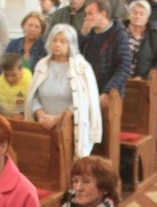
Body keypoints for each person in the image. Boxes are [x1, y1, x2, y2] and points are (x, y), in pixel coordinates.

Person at [26, 24, 102, 158]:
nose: (57, 44)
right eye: (54, 40)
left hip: (70, 126)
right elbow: (34, 95)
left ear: (71, 44)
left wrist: (57, 119)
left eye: (62, 41)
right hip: (43, 125)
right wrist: (40, 113)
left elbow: (82, 100)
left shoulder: (81, 67)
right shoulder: (42, 64)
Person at [79, 0, 132, 100]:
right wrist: (82, 35)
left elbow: (124, 66)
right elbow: (75, 56)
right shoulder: (88, 33)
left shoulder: (119, 35)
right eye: (86, 14)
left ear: (103, 13)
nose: (86, 18)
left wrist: (108, 91)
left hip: (108, 92)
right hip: (86, 89)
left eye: (90, 14)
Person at [125, 0, 157, 79]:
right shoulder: (119, 30)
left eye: (142, 14)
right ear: (129, 14)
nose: (138, 16)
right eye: (135, 12)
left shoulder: (155, 34)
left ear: (147, 17)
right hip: (118, 78)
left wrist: (145, 77)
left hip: (142, 80)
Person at [0, 53, 32, 118]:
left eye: (13, 75)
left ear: (21, 69)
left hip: (21, 122)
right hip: (0, 120)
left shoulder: (31, 84)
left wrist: (22, 115)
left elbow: (33, 106)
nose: (10, 79)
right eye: (6, 75)